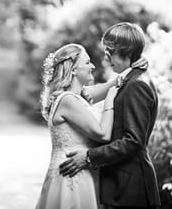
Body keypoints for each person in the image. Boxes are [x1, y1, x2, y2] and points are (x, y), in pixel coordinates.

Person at [59, 23, 161, 209]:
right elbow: (86, 94)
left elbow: (133, 141)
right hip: (120, 186)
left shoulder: (137, 85)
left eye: (110, 53)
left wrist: (89, 157)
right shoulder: (129, 79)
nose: (106, 59)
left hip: (130, 189)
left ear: (127, 52)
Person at [35, 43, 121, 209]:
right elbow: (102, 134)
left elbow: (110, 85)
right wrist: (110, 100)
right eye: (87, 62)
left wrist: (131, 70)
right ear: (73, 69)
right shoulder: (67, 100)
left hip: (81, 172)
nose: (93, 66)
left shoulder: (77, 97)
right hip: (72, 176)